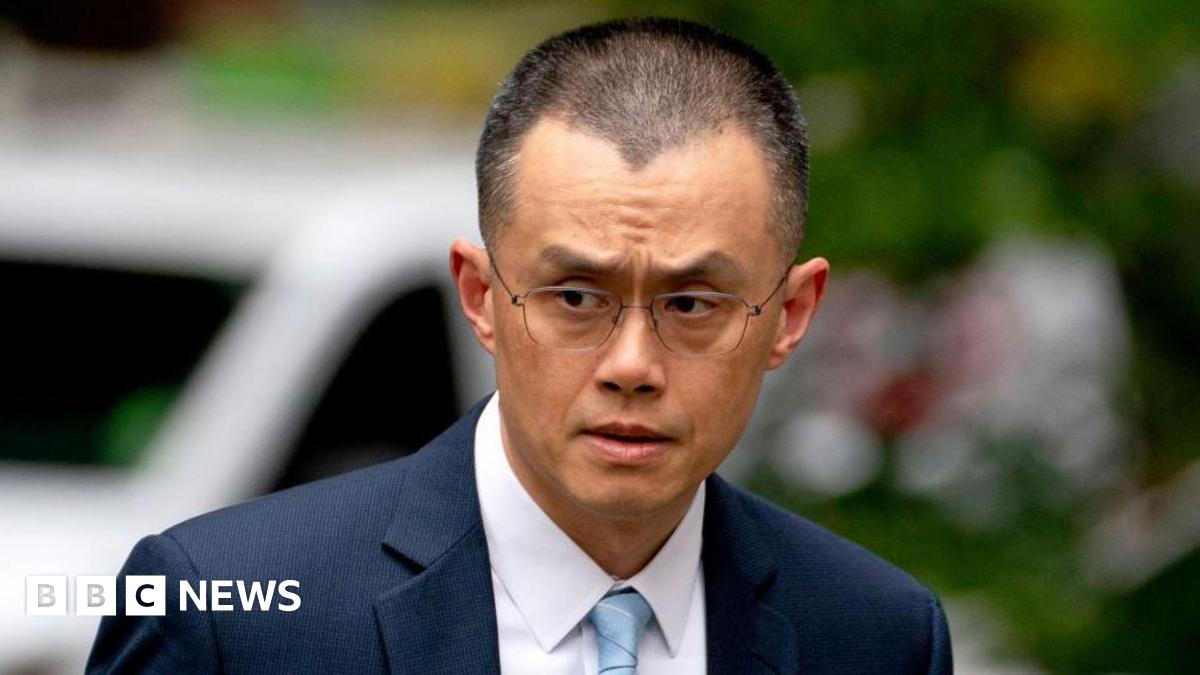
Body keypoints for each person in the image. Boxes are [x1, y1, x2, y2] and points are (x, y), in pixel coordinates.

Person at [88, 17, 952, 674]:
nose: (631, 366)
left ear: (791, 313)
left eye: (693, 303)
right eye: (575, 297)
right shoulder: (229, 618)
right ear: (481, 297)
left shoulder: (874, 635)